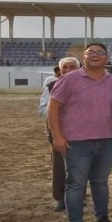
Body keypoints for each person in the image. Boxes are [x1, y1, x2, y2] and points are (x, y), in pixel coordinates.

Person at [49, 43, 112, 222]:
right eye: (91, 52)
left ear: (106, 58)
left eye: (100, 52)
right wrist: (57, 136)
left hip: (105, 140)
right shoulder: (69, 79)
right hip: (76, 142)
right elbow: (53, 107)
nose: (95, 55)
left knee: (100, 183)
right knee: (76, 185)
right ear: (84, 57)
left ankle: (102, 219)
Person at [38, 57, 80, 212]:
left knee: (80, 166)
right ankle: (60, 198)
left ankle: (79, 197)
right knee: (59, 166)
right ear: (60, 71)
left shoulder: (85, 85)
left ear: (79, 68)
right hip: (58, 132)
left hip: (81, 131)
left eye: (72, 67)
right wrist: (58, 110)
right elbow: (42, 109)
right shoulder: (52, 86)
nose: (68, 70)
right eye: (65, 67)